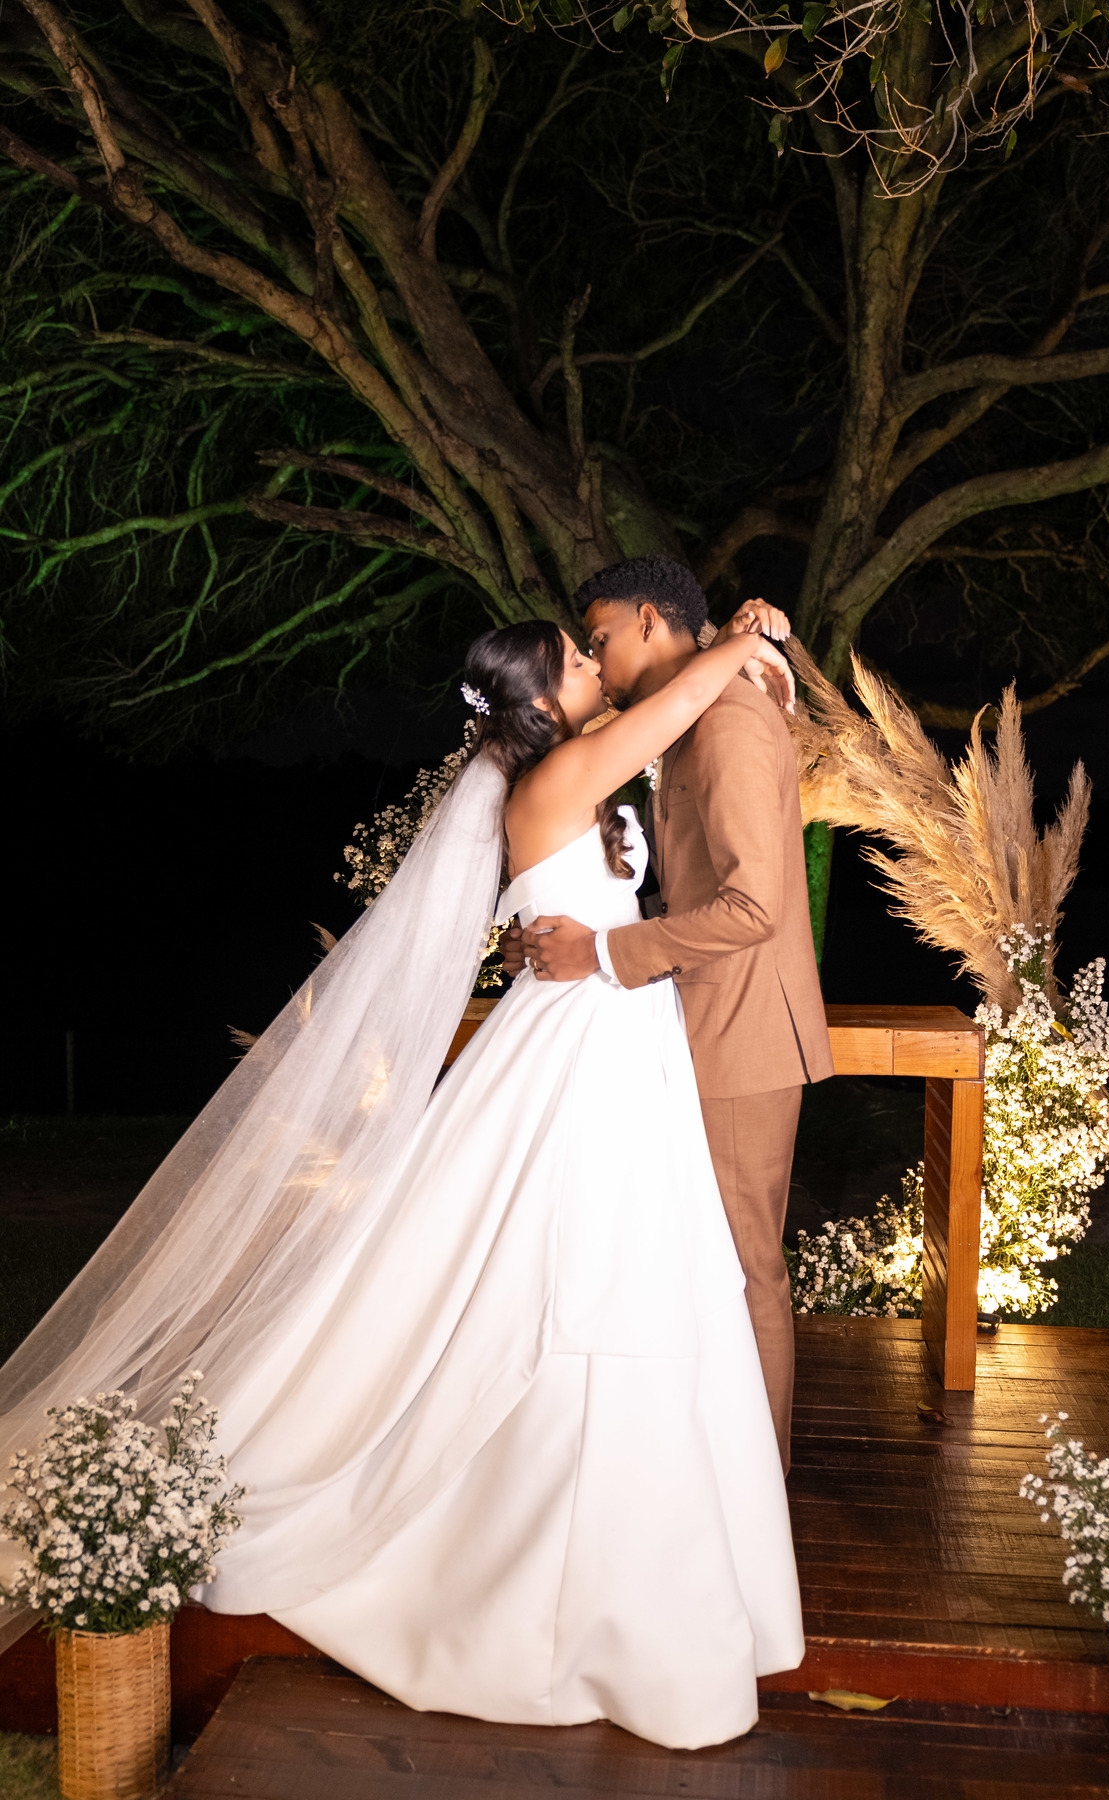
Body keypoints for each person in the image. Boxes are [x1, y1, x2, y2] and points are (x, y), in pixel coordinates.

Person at [0, 616, 803, 1751]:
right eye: (576, 658)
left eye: (590, 648)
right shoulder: (558, 774)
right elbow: (674, 707)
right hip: (583, 1050)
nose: (593, 664)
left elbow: (653, 765)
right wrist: (744, 633)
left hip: (612, 1037)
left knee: (613, 1268)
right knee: (582, 1271)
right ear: (540, 703)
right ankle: (579, 1594)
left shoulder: (567, 771)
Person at [516, 557, 834, 1470]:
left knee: (747, 1268)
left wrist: (603, 953)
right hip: (698, 1024)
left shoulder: (728, 719)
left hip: (743, 1034)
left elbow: (753, 907)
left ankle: (763, 1487)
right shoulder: (695, 714)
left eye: (601, 638)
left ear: (650, 620)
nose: (596, 660)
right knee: (704, 1263)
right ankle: (708, 1469)